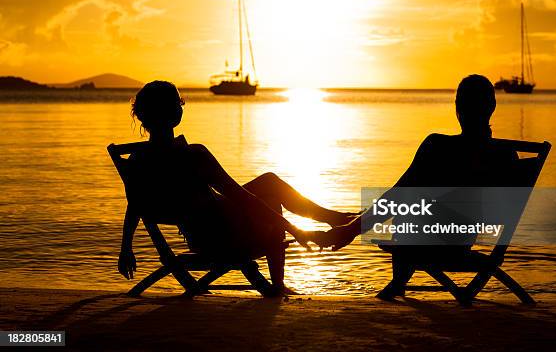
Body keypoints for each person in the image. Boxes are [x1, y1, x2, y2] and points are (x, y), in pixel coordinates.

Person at [117, 81, 353, 296]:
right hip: (224, 235)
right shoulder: (193, 155)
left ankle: (331, 218)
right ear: (173, 113)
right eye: (179, 103)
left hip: (200, 237)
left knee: (269, 184)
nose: (182, 106)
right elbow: (242, 198)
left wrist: (126, 248)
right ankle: (282, 280)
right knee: (269, 193)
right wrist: (295, 230)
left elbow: (136, 204)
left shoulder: (137, 160)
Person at [321, 74, 519, 298]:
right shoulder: (507, 154)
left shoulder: (439, 145)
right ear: (492, 106)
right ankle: (362, 236)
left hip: (429, 243)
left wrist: (350, 232)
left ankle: (396, 281)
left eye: (461, 102)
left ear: (457, 107)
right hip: (461, 241)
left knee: (405, 203)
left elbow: (397, 195)